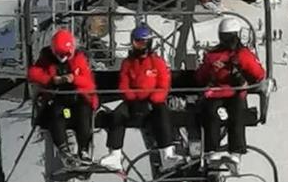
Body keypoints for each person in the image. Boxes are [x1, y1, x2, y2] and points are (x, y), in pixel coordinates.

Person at [99, 25, 183, 171]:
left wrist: (153, 100)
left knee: (163, 115)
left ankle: (167, 154)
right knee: (117, 115)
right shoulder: (128, 63)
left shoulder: (157, 62)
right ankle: (115, 154)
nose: (140, 47)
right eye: (137, 43)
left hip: (153, 102)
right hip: (134, 102)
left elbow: (163, 85)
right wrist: (133, 98)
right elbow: (123, 84)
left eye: (143, 43)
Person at [195, 17, 266, 168]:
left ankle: (229, 150)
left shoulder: (241, 55)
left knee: (234, 113)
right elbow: (201, 76)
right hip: (221, 93)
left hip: (231, 93)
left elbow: (258, 74)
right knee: (213, 113)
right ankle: (218, 150)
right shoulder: (219, 55)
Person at [28, 29, 98, 164]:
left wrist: (74, 79)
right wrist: (51, 80)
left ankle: (84, 149)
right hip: (57, 99)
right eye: (59, 54)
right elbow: (33, 73)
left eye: (66, 54)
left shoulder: (79, 59)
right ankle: (64, 150)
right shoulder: (46, 58)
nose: (63, 57)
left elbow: (89, 83)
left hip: (76, 99)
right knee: (56, 114)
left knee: (84, 113)